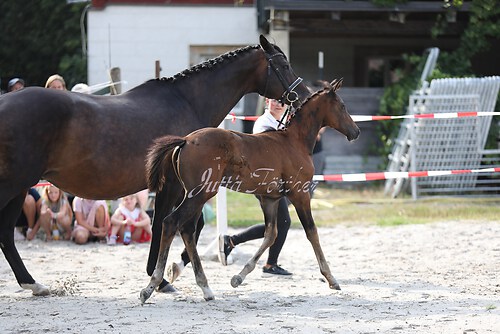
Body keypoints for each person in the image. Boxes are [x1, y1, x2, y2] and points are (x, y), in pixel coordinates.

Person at [218, 98, 293, 276]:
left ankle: (232, 241)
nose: (279, 105)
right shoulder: (263, 123)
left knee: (277, 223)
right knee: (282, 222)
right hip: (263, 181)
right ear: (267, 102)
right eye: (276, 101)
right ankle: (269, 264)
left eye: (283, 102)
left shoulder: (281, 123)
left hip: (273, 181)